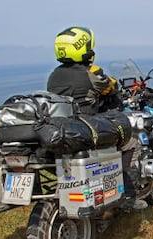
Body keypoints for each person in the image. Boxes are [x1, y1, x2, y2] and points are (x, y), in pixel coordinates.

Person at [47, 26, 147, 210]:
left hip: (64, 129)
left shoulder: (54, 76)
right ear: (83, 48)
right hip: (88, 127)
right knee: (132, 141)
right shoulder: (92, 73)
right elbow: (112, 86)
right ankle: (129, 196)